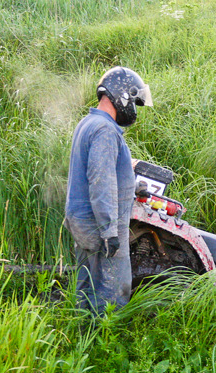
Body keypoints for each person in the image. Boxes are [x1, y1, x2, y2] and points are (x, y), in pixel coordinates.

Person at [64, 66, 153, 314]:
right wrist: (109, 231)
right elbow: (101, 181)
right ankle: (105, 339)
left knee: (85, 282)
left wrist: (132, 186)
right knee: (113, 288)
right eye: (134, 100)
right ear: (122, 96)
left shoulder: (89, 122)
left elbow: (99, 172)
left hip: (81, 219)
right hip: (99, 224)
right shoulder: (105, 130)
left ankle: (80, 332)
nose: (134, 107)